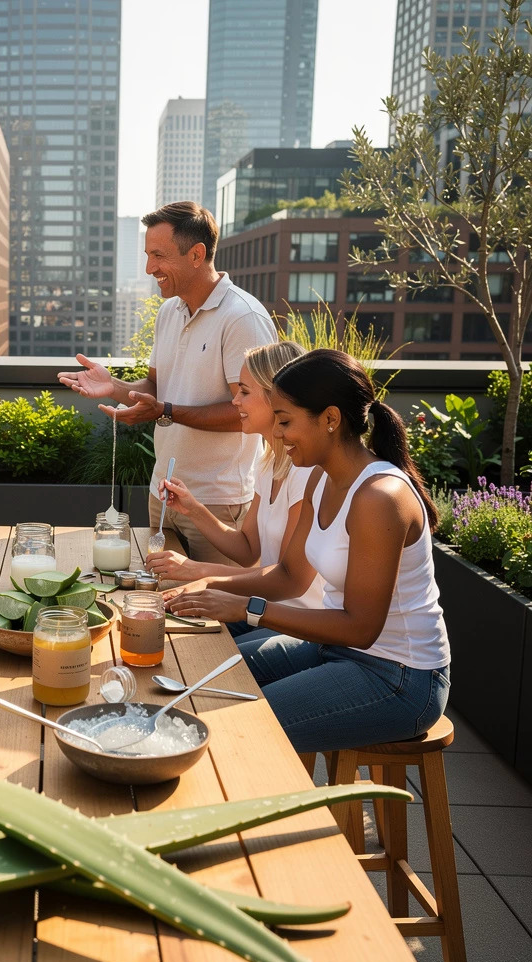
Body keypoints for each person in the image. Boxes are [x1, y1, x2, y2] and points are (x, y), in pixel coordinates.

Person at [168, 349, 450, 753]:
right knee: (200, 679)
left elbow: (361, 629)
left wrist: (246, 607)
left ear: (331, 419)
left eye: (285, 421)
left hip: (399, 677)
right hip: (335, 650)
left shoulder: (379, 497)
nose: (278, 434)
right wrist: (216, 587)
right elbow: (287, 574)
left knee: (239, 731)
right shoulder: (320, 478)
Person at [57, 201, 276, 563]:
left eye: (158, 255)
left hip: (217, 501)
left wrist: (168, 412)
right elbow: (158, 391)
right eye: (147, 255)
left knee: (210, 612)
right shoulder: (168, 311)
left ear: (197, 254)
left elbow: (250, 414)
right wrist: (113, 386)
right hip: (164, 493)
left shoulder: (243, 318)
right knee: (162, 601)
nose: (149, 268)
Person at [147, 340, 324, 644]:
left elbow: (284, 579)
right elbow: (247, 549)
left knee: (198, 651)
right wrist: (193, 508)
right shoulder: (268, 462)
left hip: (295, 625)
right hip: (264, 612)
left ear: (275, 397)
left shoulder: (305, 473)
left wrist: (197, 572)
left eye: (244, 391)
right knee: (164, 628)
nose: (235, 402)